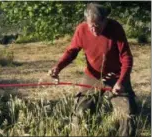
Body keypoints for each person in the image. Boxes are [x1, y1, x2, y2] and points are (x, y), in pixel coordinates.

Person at [48, 3, 138, 136]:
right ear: (86, 22)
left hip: (116, 76)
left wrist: (120, 81)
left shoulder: (115, 28)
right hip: (92, 76)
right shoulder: (81, 30)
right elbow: (71, 52)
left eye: (97, 26)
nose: (94, 30)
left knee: (128, 114)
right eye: (91, 26)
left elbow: (126, 57)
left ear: (105, 21)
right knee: (80, 113)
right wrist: (58, 67)